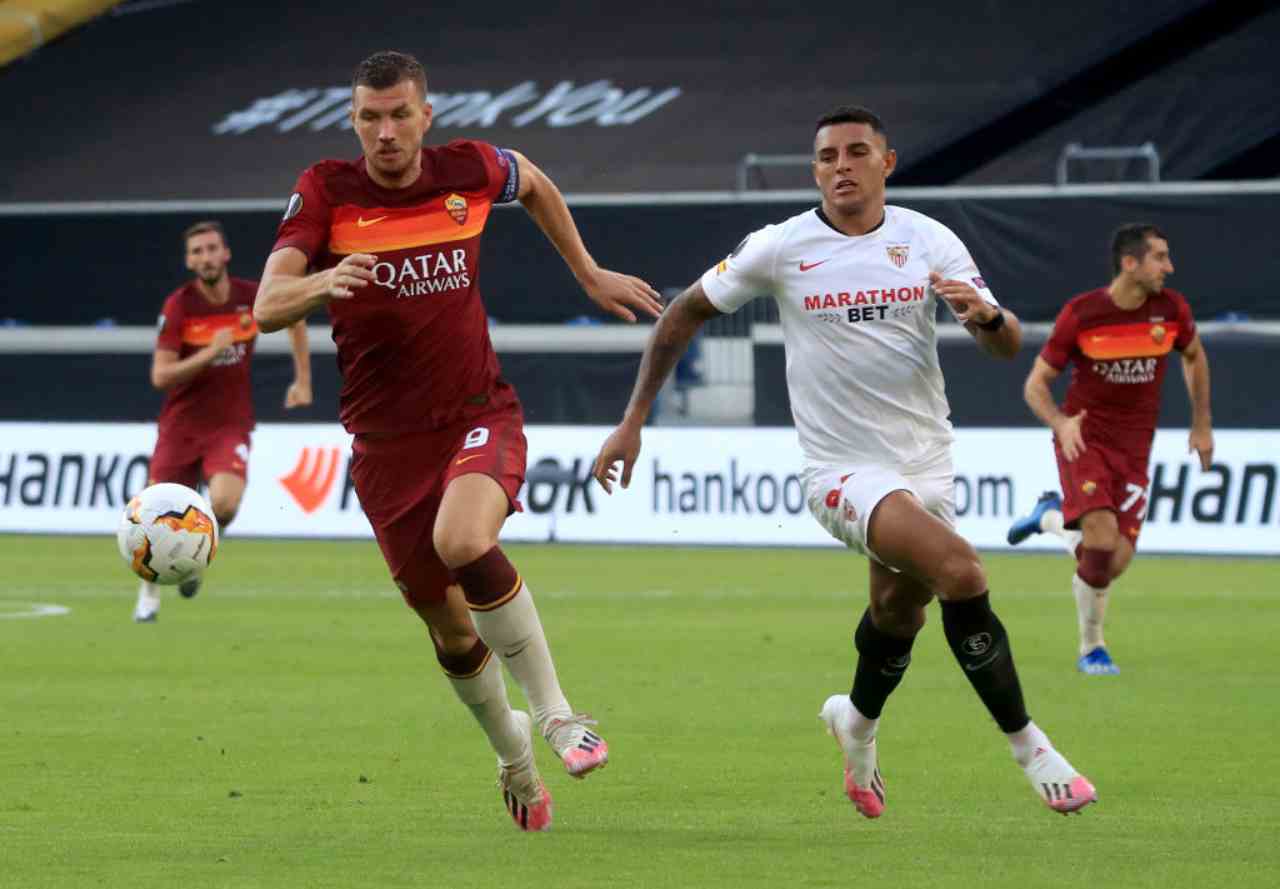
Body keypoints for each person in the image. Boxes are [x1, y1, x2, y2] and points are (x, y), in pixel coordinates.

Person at [592, 105, 1097, 818]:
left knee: (899, 614)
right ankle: (1031, 747)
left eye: (857, 152)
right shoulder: (781, 246)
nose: (840, 167)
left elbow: (1006, 341)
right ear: (815, 170)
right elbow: (682, 315)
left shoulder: (927, 239)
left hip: (927, 461)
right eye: (827, 157)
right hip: (839, 470)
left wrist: (985, 319)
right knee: (962, 571)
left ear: (886, 163)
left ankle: (855, 723)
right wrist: (633, 420)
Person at [253, 50, 662, 832]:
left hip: (480, 412)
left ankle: (558, 716)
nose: (385, 131)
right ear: (353, 120)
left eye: (400, 113)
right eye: (370, 117)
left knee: (464, 538)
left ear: (425, 115)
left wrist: (586, 271)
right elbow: (268, 303)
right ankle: (513, 756)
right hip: (383, 446)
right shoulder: (325, 191)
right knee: (448, 626)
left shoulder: (468, 169)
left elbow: (533, 180)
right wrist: (320, 283)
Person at [1008, 224, 1212, 675]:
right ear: (1130, 263)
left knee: (1111, 563)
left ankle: (1049, 516)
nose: (1169, 267)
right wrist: (1060, 423)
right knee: (1099, 541)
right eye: (1160, 257)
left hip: (1135, 451)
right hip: (1085, 440)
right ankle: (1091, 648)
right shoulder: (1083, 314)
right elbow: (1035, 385)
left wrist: (1202, 425)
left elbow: (1194, 356)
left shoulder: (1171, 310)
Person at [136, 220, 312, 623]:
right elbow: (161, 377)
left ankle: (194, 559)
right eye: (197, 251)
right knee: (153, 516)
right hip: (180, 427)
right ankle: (148, 593)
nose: (206, 256)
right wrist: (208, 354)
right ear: (189, 261)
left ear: (226, 253)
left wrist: (302, 380)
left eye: (212, 248)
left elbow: (296, 317)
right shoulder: (179, 306)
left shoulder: (251, 297)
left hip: (229, 424)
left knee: (227, 505)